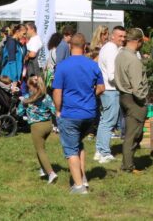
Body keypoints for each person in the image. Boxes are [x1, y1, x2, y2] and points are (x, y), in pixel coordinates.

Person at [52, 32, 105, 194]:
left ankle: (78, 186)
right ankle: (83, 179)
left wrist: (58, 110)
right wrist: (89, 96)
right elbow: (101, 88)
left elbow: (57, 92)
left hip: (70, 114)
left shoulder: (62, 66)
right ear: (85, 47)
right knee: (78, 144)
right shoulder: (93, 65)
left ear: (70, 46)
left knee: (70, 150)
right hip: (89, 114)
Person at [114, 27, 148, 173]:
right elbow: (137, 87)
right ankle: (128, 165)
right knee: (133, 134)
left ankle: (127, 163)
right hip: (134, 99)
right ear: (138, 41)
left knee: (131, 132)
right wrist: (142, 100)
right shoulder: (133, 59)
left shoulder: (120, 54)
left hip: (123, 96)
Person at [18, 75, 58, 184]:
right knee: (40, 148)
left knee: (40, 150)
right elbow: (54, 110)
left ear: (31, 86)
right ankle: (43, 168)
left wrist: (23, 107)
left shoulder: (27, 97)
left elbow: (19, 112)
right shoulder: (46, 97)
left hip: (36, 127)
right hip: (48, 125)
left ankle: (51, 173)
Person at [95, 24, 126, 163]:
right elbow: (112, 75)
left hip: (106, 89)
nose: (123, 39)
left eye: (124, 36)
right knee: (109, 122)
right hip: (111, 89)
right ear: (113, 36)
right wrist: (124, 84)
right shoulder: (112, 50)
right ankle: (104, 152)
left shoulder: (107, 47)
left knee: (104, 121)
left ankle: (99, 150)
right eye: (120, 36)